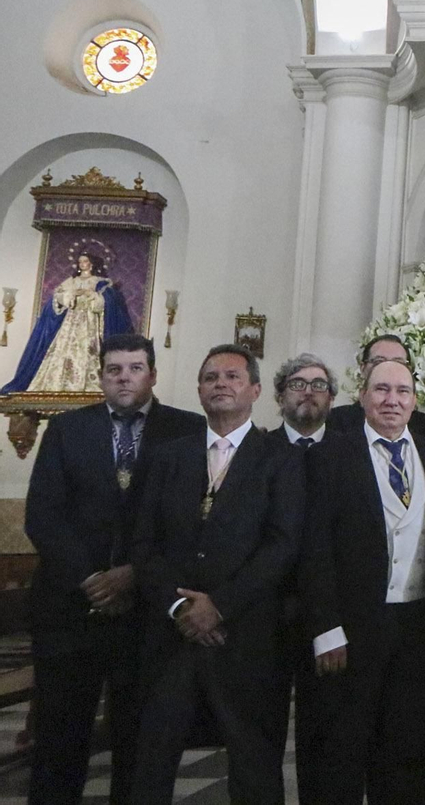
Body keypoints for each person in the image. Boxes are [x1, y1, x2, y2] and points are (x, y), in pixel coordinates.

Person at [24, 332, 204, 805]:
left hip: (147, 614)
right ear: (101, 375)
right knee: (59, 739)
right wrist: (89, 579)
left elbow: (189, 523)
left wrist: (134, 574)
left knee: (140, 742)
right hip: (70, 608)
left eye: (135, 368)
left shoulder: (187, 430)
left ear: (153, 374)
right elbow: (43, 514)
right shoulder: (68, 429)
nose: (124, 378)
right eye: (114, 370)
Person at [129, 345, 306, 803]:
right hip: (171, 635)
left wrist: (219, 606)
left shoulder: (279, 457)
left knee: (254, 764)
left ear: (256, 390)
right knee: (150, 761)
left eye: (231, 376)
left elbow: (282, 545)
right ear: (199, 390)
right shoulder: (169, 456)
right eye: (210, 377)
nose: (220, 384)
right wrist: (180, 605)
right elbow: (145, 544)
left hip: (244, 636)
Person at [298, 357, 425, 805]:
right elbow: (314, 548)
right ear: (363, 396)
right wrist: (326, 628)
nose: (392, 400)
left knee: (404, 749)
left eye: (402, 391)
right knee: (343, 749)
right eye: (381, 390)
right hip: (353, 628)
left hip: (418, 626)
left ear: (415, 401)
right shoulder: (332, 454)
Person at [262, 354, 338, 768]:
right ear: (279, 395)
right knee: (261, 732)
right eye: (297, 384)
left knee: (325, 733)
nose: (308, 391)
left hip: (332, 613)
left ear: (333, 399)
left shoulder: (351, 455)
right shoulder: (258, 452)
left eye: (319, 385)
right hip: (269, 610)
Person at [3, 252, 135, 394]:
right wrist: (70, 295)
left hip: (89, 323)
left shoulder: (99, 282)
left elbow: (107, 303)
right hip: (70, 323)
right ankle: (58, 383)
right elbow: (57, 297)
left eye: (85, 261)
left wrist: (92, 295)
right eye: (80, 261)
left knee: (89, 349)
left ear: (91, 264)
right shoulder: (71, 282)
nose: (82, 264)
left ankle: (89, 385)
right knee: (63, 350)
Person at [326, 334, 425, 444]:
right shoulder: (335, 422)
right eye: (379, 361)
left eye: (398, 362)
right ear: (363, 369)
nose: (388, 368)